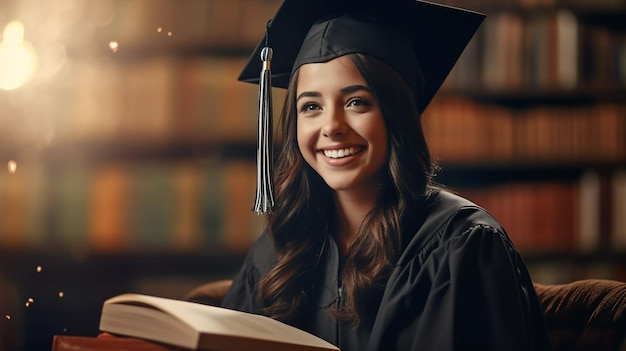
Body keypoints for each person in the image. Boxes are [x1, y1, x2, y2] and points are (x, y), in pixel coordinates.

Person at [222, 0, 552, 350]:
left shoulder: (462, 246)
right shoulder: (281, 248)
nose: (331, 126)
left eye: (357, 102)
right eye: (311, 106)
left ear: (396, 114)